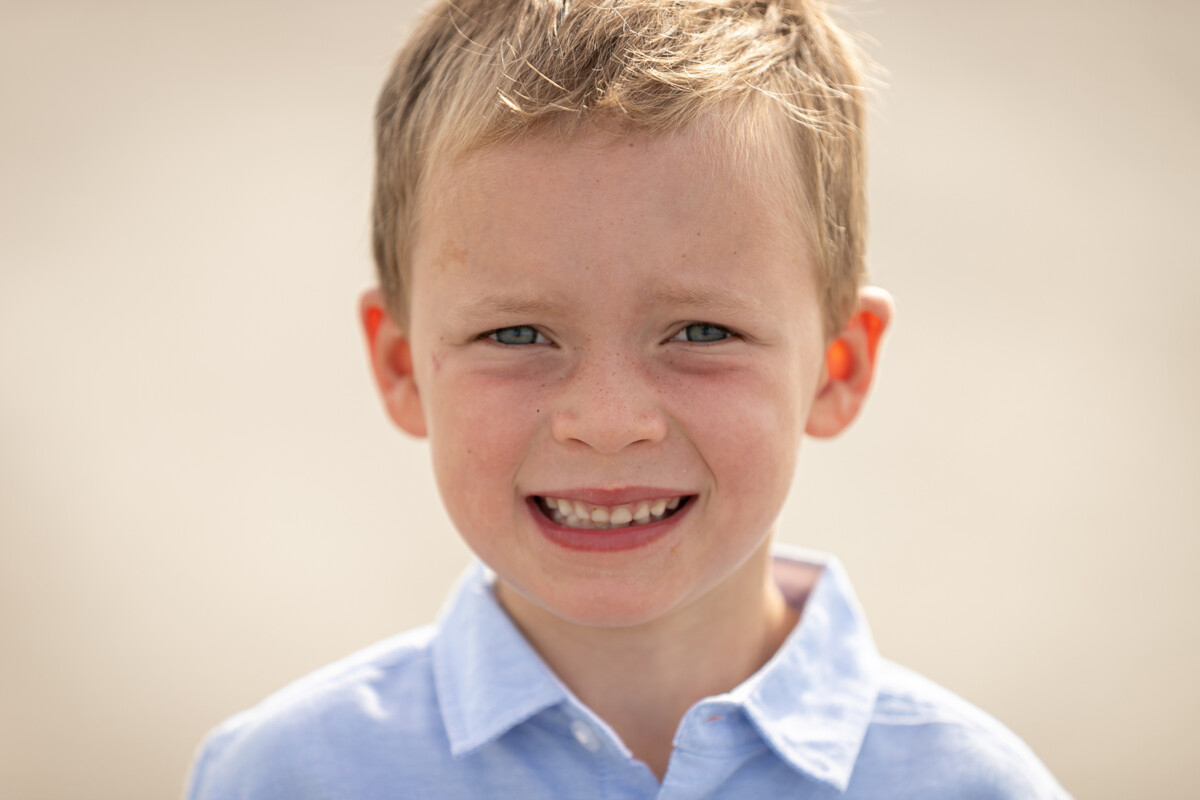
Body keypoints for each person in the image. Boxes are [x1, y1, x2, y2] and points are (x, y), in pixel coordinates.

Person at [186, 0, 1071, 796]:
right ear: (402, 366)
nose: (607, 424)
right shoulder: (285, 776)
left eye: (701, 333)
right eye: (518, 335)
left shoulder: (974, 787)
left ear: (838, 367)